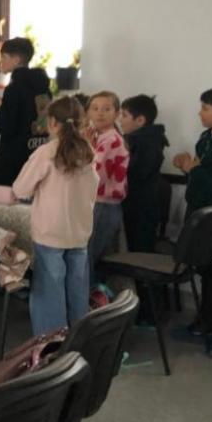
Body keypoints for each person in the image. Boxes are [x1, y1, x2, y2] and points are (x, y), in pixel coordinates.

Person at [13, 96, 98, 335]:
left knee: (49, 293)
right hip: (79, 233)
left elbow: (21, 189)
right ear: (82, 123)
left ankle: (51, 343)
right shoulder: (88, 152)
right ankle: (79, 339)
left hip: (50, 233)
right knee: (77, 291)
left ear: (51, 122)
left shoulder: (46, 152)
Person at [172, 87, 212, 356]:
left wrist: (195, 169)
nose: (200, 113)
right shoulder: (206, 138)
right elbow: (201, 171)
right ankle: (205, 323)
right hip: (201, 214)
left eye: (205, 108)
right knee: (206, 270)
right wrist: (187, 166)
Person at [0, 37, 52, 185]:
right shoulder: (44, 88)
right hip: (37, 152)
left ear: (16, 60)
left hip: (14, 160)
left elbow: (6, 126)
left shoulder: (14, 88)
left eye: (4, 57)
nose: (0, 61)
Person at [84, 91, 129, 292]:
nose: (100, 113)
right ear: (88, 113)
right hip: (98, 203)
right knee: (90, 255)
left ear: (117, 113)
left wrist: (86, 145)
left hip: (103, 205)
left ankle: (88, 300)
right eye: (95, 109)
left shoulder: (111, 139)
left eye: (106, 109)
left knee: (89, 256)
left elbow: (93, 172)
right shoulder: (99, 136)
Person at [120, 95, 169, 254]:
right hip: (137, 206)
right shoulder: (143, 140)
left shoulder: (146, 143)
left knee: (138, 253)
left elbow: (136, 173)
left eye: (124, 116)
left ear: (140, 120)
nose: (120, 120)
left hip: (139, 209)